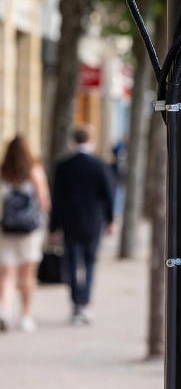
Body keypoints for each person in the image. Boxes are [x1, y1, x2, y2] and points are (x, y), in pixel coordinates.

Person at [50, 125, 114, 325]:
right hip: (93, 221)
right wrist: (110, 220)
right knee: (90, 263)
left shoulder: (63, 165)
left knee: (71, 263)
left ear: (73, 140)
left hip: (70, 222)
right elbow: (109, 195)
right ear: (90, 140)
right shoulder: (99, 164)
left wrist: (53, 226)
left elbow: (56, 198)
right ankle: (85, 304)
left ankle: (76, 304)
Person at [0, 134, 51, 333]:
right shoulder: (34, 171)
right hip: (30, 230)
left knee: (6, 273)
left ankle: (4, 310)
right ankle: (25, 316)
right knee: (27, 274)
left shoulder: (3, 172)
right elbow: (44, 201)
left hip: (6, 229)